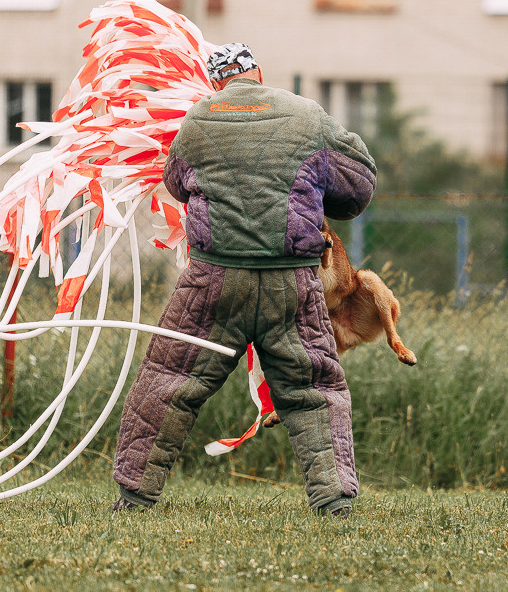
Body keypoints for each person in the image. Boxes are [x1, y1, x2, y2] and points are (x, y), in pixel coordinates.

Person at [111, 42, 376, 517]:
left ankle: (134, 497)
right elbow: (358, 187)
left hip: (212, 283)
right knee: (313, 387)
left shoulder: (195, 122)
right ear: (258, 72)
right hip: (291, 284)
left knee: (169, 379)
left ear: (216, 81)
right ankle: (334, 502)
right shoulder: (307, 115)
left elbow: (177, 184)